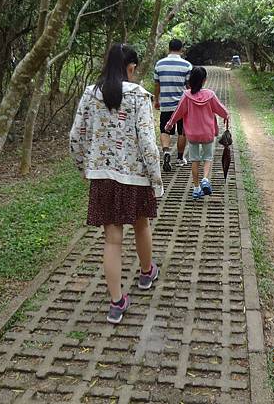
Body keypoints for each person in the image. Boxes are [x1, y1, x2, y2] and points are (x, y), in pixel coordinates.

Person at [70, 44, 163, 324]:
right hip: (134, 177)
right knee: (141, 224)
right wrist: (156, 180)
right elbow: (148, 144)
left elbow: (76, 136)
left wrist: (84, 167)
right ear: (131, 67)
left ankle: (116, 302)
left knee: (112, 239)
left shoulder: (90, 94)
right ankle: (147, 273)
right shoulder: (138, 97)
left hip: (102, 177)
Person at [165, 67, 229, 199]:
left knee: (194, 159)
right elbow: (221, 110)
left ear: (191, 80)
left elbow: (178, 112)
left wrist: (169, 124)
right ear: (204, 80)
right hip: (207, 132)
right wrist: (226, 115)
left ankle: (196, 188)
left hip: (192, 134)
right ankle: (205, 179)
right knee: (208, 158)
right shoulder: (210, 95)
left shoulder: (186, 95)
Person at [154, 38, 192, 172]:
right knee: (182, 131)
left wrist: (156, 100)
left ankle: (166, 152)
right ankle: (180, 158)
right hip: (182, 105)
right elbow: (188, 86)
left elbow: (157, 84)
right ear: (181, 49)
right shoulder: (187, 65)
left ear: (168, 48)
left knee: (165, 130)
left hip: (165, 103)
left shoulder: (159, 64)